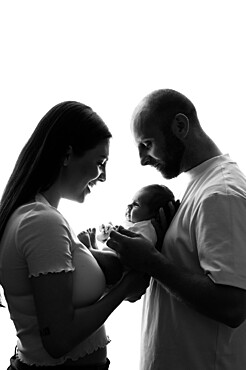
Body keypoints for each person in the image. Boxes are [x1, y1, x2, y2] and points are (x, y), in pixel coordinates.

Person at [0, 101, 149, 369]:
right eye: (100, 163)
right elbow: (59, 340)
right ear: (67, 154)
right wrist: (126, 287)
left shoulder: (35, 215)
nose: (102, 177)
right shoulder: (41, 222)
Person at [107, 89, 246, 370]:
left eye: (147, 143)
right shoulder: (200, 187)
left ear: (180, 126)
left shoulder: (221, 193)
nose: (143, 159)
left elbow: (233, 305)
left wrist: (151, 261)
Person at [78, 183, 179, 249]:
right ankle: (95, 247)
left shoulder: (148, 229)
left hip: (119, 264)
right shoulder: (135, 224)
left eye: (136, 205)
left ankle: (92, 249)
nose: (129, 206)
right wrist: (108, 233)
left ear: (153, 214)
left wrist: (114, 235)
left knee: (111, 262)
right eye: (131, 202)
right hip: (113, 253)